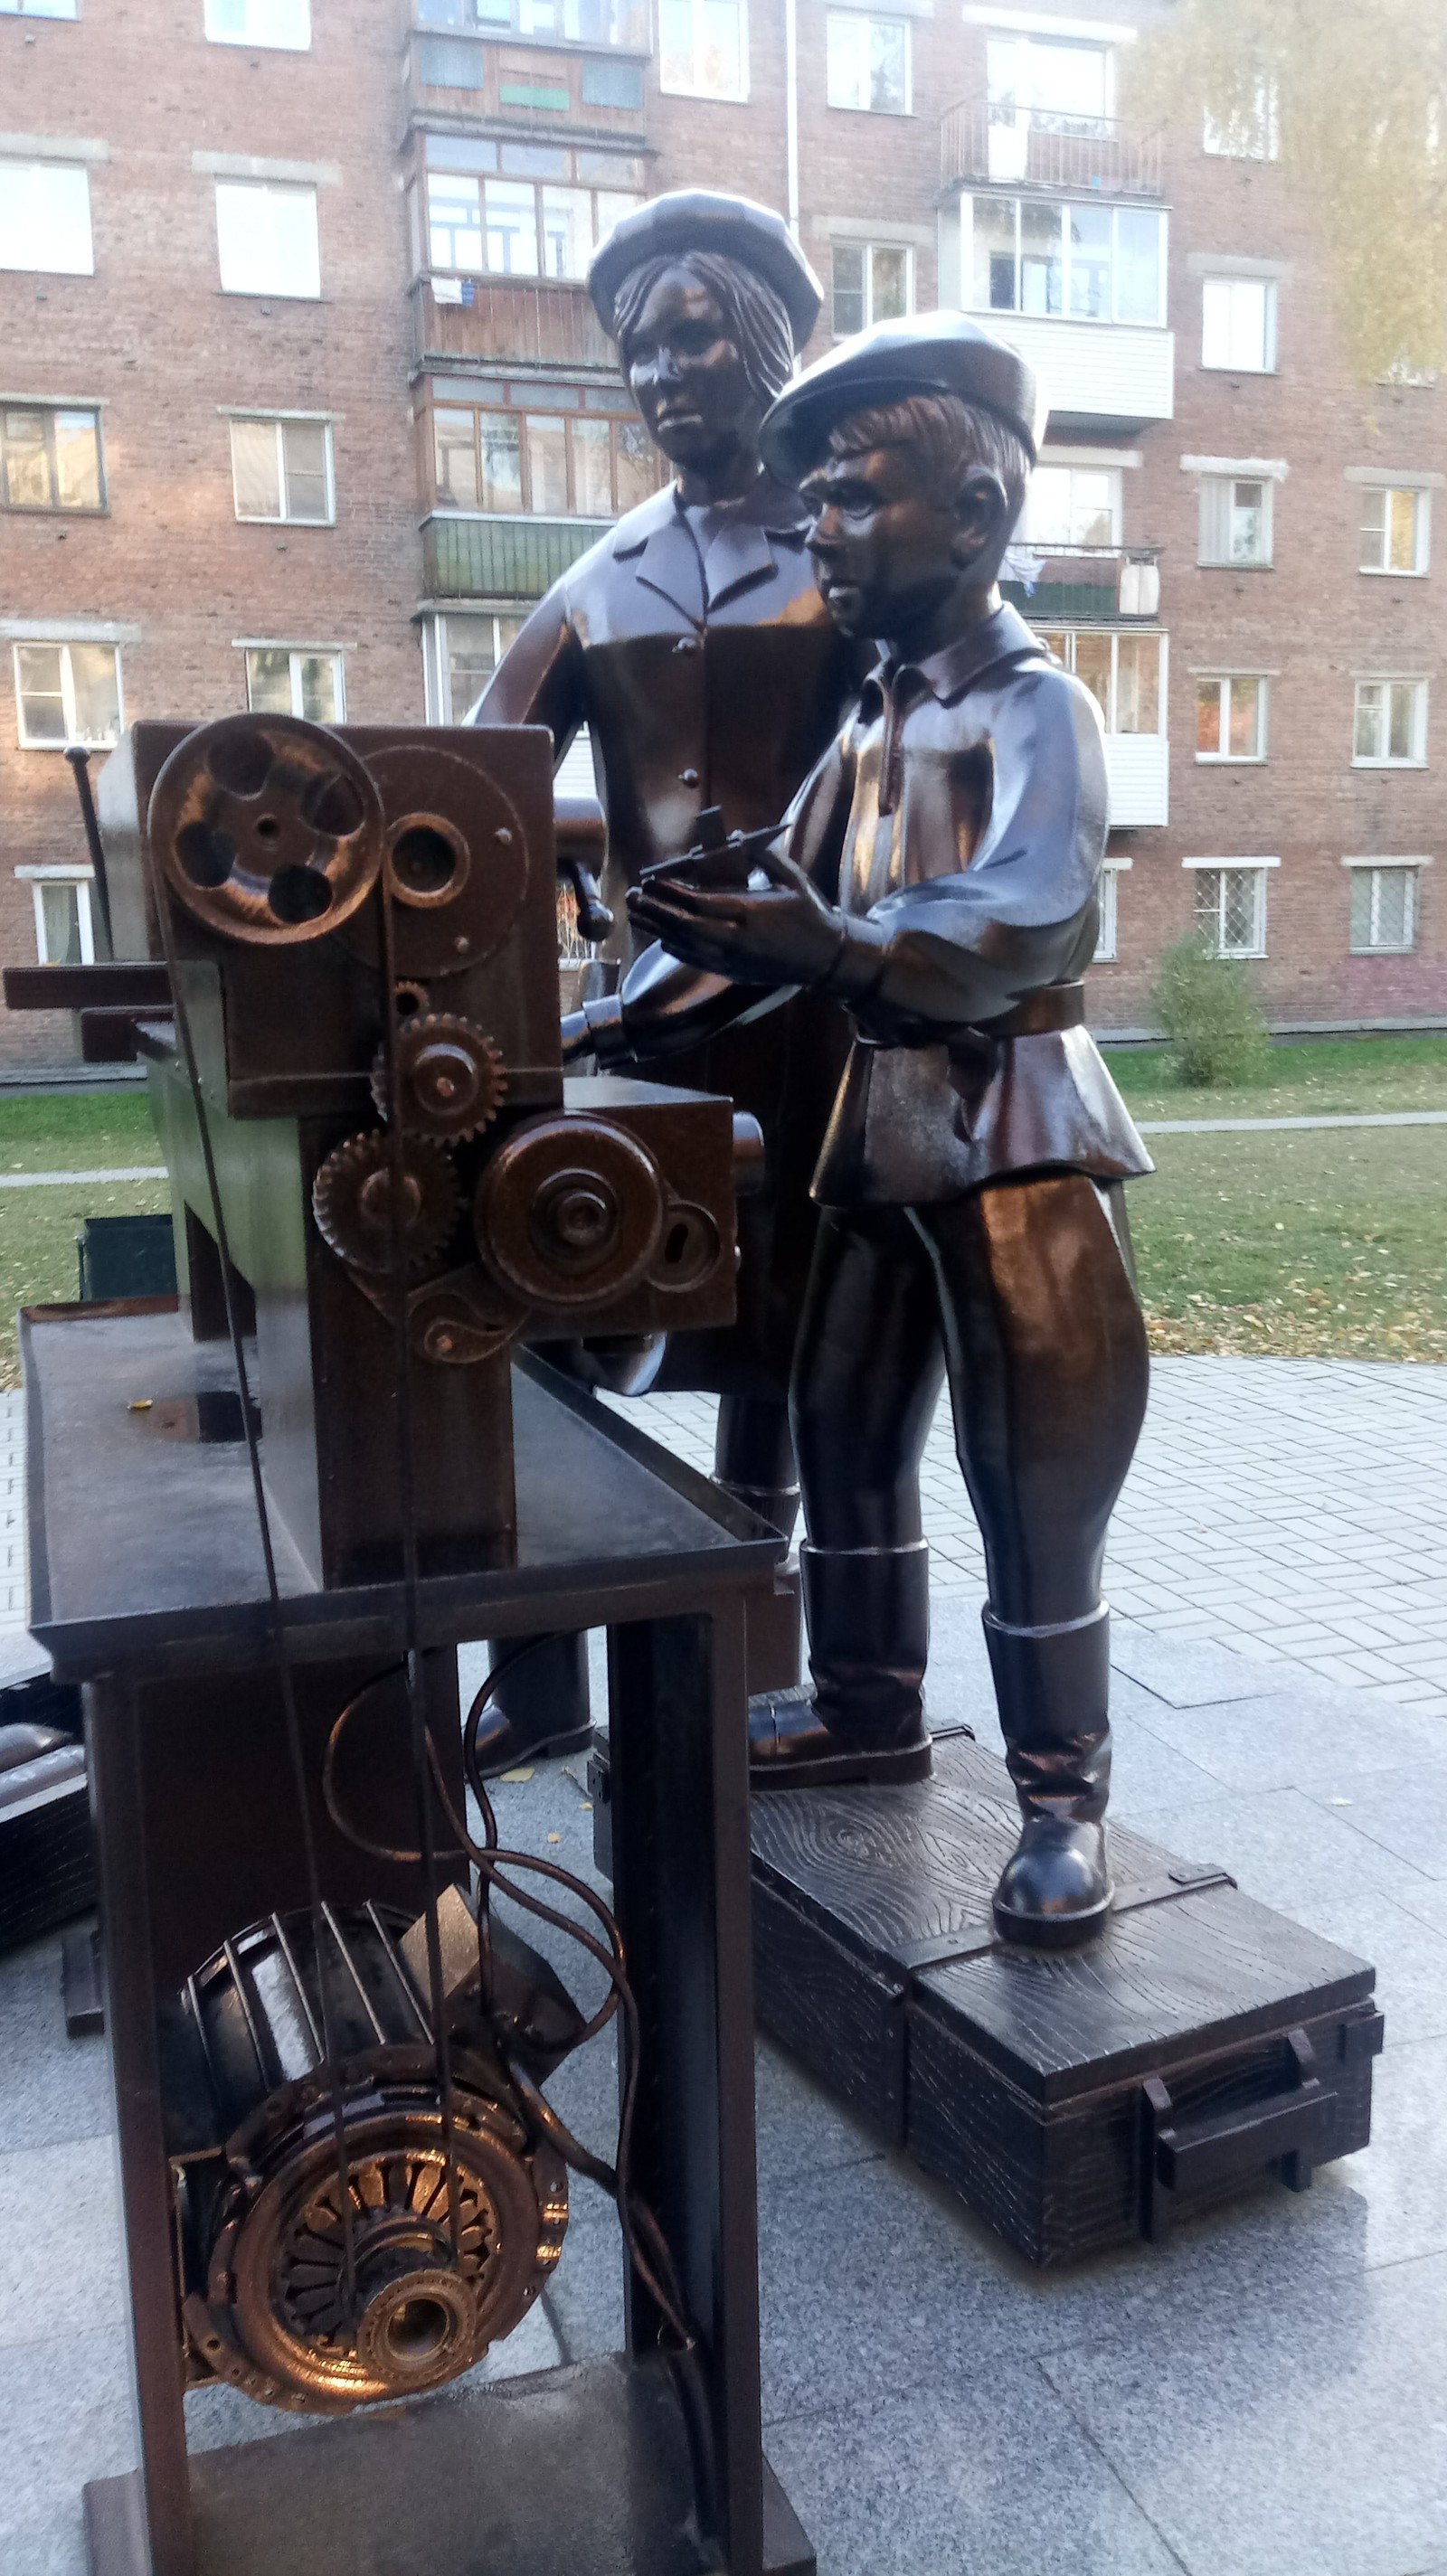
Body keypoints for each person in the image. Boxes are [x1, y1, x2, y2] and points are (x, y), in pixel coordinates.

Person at [600, 312, 1153, 1948]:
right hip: (885, 1137)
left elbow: (1032, 913)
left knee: (1028, 1473)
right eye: (816, 499)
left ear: (972, 521)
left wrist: (834, 949)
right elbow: (763, 911)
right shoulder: (870, 725)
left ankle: (1062, 1798)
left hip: (1015, 1143)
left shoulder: (1035, 708)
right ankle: (863, 1701)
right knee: (845, 1427)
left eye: (852, 499)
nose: (819, 531)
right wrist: (604, 1012)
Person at [470, 191, 860, 1763]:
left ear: (765, 343)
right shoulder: (600, 576)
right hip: (649, 1027)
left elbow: (925, 753)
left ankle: (779, 1649)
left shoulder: (852, 548)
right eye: (641, 348)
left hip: (827, 1017)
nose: (666, 371)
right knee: (528, 1292)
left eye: (696, 335)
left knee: (798, 1340)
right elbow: (487, 770)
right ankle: (547, 1673)